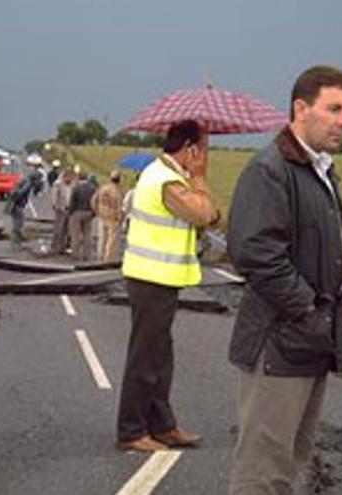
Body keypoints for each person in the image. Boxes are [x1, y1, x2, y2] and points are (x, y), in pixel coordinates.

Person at [226, 65, 342, 495]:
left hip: (310, 340)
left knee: (293, 464)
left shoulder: (319, 171)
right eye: (334, 108)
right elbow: (255, 253)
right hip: (279, 344)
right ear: (301, 108)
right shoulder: (271, 169)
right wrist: (308, 307)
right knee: (263, 471)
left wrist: (323, 319)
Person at [116, 120, 221, 452]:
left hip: (161, 277)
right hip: (151, 278)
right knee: (145, 358)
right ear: (190, 148)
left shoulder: (169, 177)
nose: (205, 157)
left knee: (160, 357)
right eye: (202, 149)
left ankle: (162, 426)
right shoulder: (165, 181)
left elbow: (210, 216)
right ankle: (131, 431)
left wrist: (204, 205)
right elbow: (205, 214)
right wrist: (200, 178)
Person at [91, 170, 124, 262]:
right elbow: (119, 205)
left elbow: (94, 199)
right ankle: (108, 257)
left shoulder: (103, 188)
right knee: (111, 239)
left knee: (102, 237)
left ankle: (100, 255)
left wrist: (96, 210)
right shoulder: (117, 191)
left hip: (102, 215)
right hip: (112, 217)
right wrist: (120, 217)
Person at [5, 171, 43, 250]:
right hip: (16, 205)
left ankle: (16, 243)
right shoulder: (27, 184)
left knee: (18, 223)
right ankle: (14, 244)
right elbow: (20, 192)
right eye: (38, 179)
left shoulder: (26, 181)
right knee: (18, 224)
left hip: (15, 205)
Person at [67, 173, 97, 261]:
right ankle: (86, 254)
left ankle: (75, 254)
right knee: (87, 234)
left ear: (79, 178)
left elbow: (72, 202)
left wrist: (70, 212)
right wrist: (93, 212)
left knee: (75, 234)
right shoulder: (92, 188)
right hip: (89, 212)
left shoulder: (76, 188)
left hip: (78, 212)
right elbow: (95, 200)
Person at [49, 166, 75, 255]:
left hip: (69, 210)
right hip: (60, 209)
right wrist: (57, 207)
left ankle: (63, 247)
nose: (70, 178)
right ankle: (55, 247)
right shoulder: (58, 184)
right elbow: (54, 197)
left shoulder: (73, 184)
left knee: (67, 230)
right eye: (68, 176)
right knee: (58, 229)